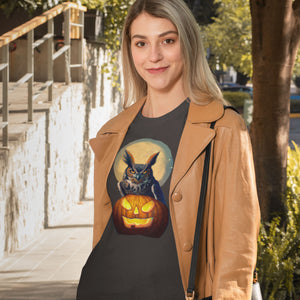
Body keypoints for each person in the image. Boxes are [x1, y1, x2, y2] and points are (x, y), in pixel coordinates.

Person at [76, 0, 261, 299]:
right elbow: (104, 228)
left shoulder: (223, 126)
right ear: (130, 50)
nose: (154, 55)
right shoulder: (112, 130)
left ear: (186, 44)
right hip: (104, 287)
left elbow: (238, 241)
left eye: (167, 40)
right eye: (141, 43)